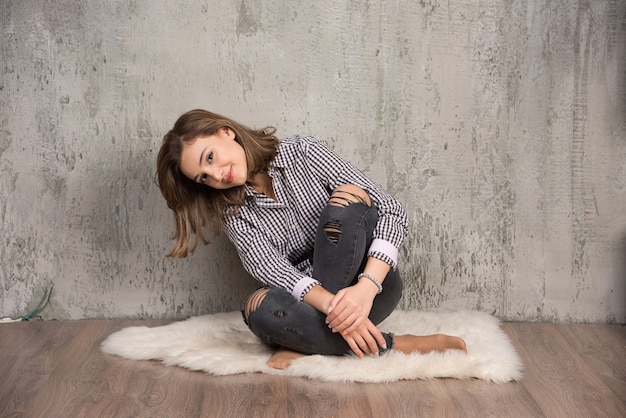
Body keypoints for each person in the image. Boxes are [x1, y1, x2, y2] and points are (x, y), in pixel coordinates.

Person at [156, 109, 466, 369]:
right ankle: (393, 345)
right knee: (257, 308)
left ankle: (306, 343)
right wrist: (335, 308)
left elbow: (391, 210)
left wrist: (365, 288)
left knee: (348, 200)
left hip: (370, 289)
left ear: (226, 132)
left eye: (210, 157)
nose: (216, 174)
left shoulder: (303, 151)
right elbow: (270, 268)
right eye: (204, 177)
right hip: (312, 307)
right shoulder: (231, 211)